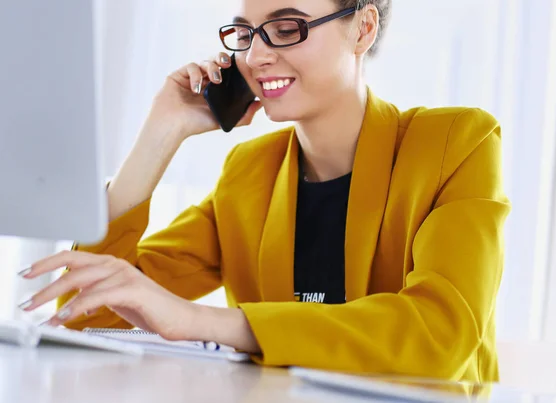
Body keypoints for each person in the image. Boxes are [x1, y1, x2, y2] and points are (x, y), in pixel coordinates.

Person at [19, 0, 510, 382]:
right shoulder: (250, 172)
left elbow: (439, 335)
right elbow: (94, 313)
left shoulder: (456, 143)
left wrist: (204, 322)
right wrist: (160, 132)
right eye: (246, 33)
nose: (254, 56)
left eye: (286, 27)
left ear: (363, 29)